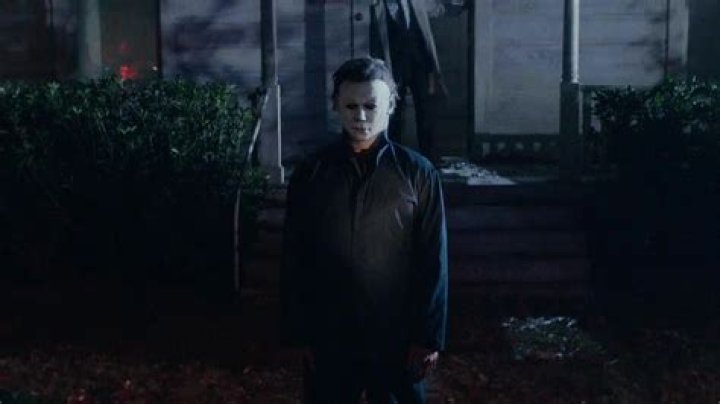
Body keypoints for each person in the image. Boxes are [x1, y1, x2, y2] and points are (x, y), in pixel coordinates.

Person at [280, 57, 449, 404]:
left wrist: (429, 336)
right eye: (351, 106)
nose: (360, 116)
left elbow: (433, 258)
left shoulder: (417, 173)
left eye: (371, 106)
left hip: (396, 333)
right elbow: (295, 255)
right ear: (336, 106)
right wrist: (297, 332)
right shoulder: (312, 174)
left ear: (391, 105)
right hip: (330, 331)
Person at [370, 0, 466, 163]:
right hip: (393, 68)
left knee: (426, 112)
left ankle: (429, 158)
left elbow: (439, 9)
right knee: (394, 114)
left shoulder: (417, 2)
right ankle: (393, 158)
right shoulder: (377, 5)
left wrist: (460, 4)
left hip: (420, 65)